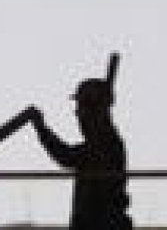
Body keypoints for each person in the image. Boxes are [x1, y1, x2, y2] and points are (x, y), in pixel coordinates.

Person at [30, 78, 133, 230]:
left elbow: (66, 156)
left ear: (93, 110)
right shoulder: (103, 143)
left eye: (80, 108)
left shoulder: (106, 145)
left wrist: (41, 128)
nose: (77, 115)